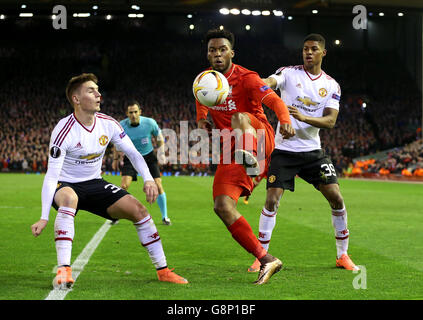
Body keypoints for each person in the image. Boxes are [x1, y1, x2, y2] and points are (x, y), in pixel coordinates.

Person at [31, 73, 188, 288]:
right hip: (65, 184)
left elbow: (133, 154)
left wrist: (149, 179)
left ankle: (163, 270)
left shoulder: (108, 124)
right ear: (76, 99)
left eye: (97, 89)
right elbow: (51, 175)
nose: (98, 94)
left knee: (139, 210)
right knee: (68, 198)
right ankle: (63, 270)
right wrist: (43, 217)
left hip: (94, 182)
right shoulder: (63, 130)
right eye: (91, 91)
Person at [248, 33, 359, 273]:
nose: (308, 53)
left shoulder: (331, 85)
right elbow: (271, 81)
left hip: (313, 153)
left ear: (323, 53)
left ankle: (343, 255)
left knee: (337, 198)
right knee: (271, 200)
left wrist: (301, 117)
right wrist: (259, 84)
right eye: (305, 49)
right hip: (285, 150)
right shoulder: (289, 73)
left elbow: (330, 122)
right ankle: (261, 258)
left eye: (313, 49)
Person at [196, 28, 295, 285]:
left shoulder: (247, 78)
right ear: (207, 54)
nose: (217, 54)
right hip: (232, 149)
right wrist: (202, 120)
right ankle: (266, 259)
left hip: (260, 138)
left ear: (231, 52)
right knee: (222, 206)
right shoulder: (205, 80)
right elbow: (201, 101)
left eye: (222, 49)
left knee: (239, 116)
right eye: (212, 50)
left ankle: (250, 158)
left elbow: (274, 101)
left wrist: (284, 120)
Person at [113, 101, 171, 225]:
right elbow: (116, 144)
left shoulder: (149, 123)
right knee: (124, 186)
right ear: (127, 114)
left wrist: (161, 153)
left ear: (140, 112)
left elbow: (159, 137)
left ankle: (165, 217)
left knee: (158, 185)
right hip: (131, 157)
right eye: (130, 112)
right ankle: (116, 214)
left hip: (149, 156)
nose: (133, 115)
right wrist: (115, 159)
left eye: (135, 112)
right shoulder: (121, 125)